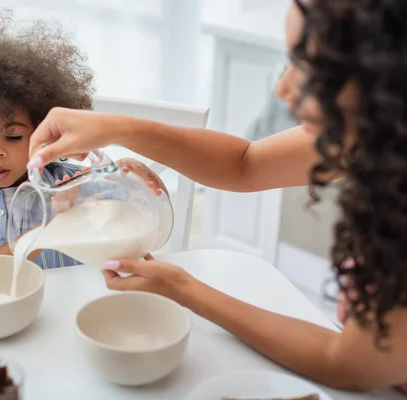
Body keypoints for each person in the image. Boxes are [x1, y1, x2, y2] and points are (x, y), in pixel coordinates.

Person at [26, 0, 407, 394]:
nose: (283, 88)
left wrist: (186, 290)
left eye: (311, 67)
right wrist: (112, 128)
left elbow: (344, 364)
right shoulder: (378, 139)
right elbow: (245, 163)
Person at [0, 10, 163, 272]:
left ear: (42, 130)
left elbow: (135, 210)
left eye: (13, 136)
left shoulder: (68, 183)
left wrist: (126, 175)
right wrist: (52, 222)